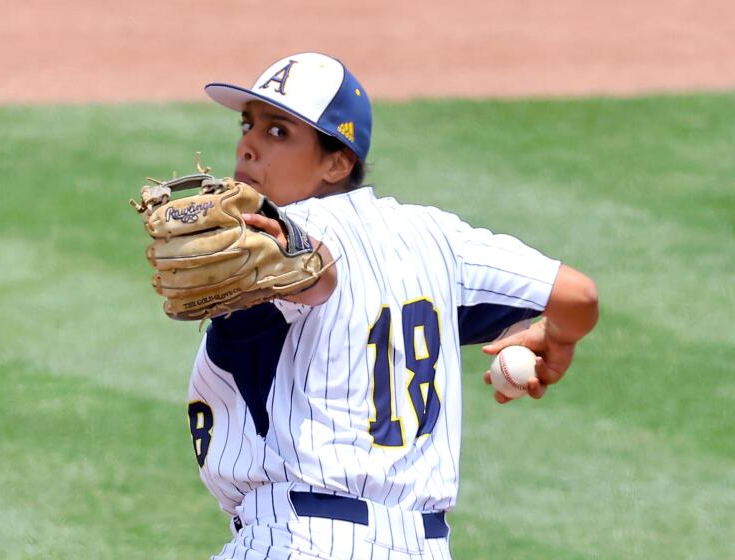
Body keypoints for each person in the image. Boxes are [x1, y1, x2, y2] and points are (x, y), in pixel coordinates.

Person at [186, 52, 599, 559]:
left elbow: (313, 277)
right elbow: (578, 296)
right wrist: (557, 338)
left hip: (299, 541)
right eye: (248, 124)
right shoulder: (437, 239)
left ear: (338, 162)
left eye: (278, 132)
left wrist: (278, 254)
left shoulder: (275, 243)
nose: (247, 145)